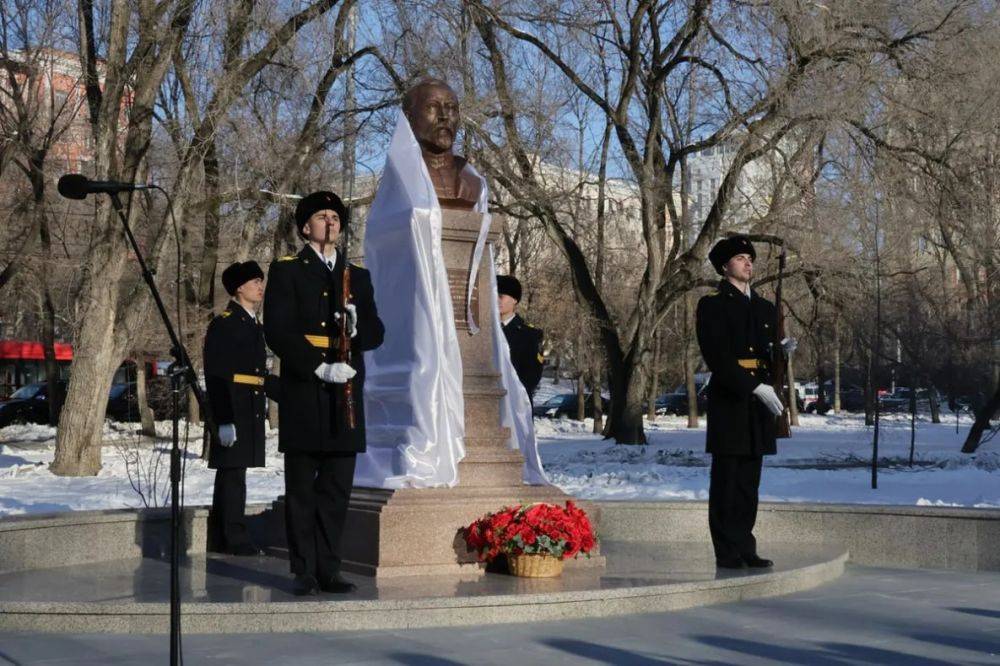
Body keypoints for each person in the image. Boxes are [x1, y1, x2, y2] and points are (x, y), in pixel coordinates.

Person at [263, 190, 385, 596]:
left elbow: (377, 333)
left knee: (336, 490)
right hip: (305, 389)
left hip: (345, 392)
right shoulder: (287, 271)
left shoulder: (357, 277)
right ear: (305, 226)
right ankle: (303, 569)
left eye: (335, 215)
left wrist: (356, 327)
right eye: (321, 216)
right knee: (301, 490)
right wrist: (318, 365)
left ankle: (330, 568)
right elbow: (278, 330)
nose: (330, 221)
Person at [696, 236, 785, 570]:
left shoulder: (764, 308)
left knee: (749, 481)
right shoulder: (713, 305)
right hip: (732, 399)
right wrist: (753, 387)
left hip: (759, 402)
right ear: (724, 266)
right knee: (727, 480)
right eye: (739, 258)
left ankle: (745, 544)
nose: (748, 263)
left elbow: (767, 356)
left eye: (750, 258)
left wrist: (781, 355)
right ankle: (726, 550)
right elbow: (718, 357)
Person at [203, 260, 278, 556]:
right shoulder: (226, 322)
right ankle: (233, 537)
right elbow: (216, 373)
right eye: (254, 282)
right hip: (233, 407)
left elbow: (256, 373)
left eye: (261, 281)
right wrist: (223, 418)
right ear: (238, 288)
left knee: (235, 473)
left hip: (248, 405)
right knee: (232, 476)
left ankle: (226, 536)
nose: (260, 286)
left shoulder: (250, 322)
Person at [497, 275, 544, 402]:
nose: (496, 299)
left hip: (515, 405)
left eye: (501, 296)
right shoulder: (486, 331)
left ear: (514, 300)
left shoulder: (529, 335)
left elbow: (531, 378)